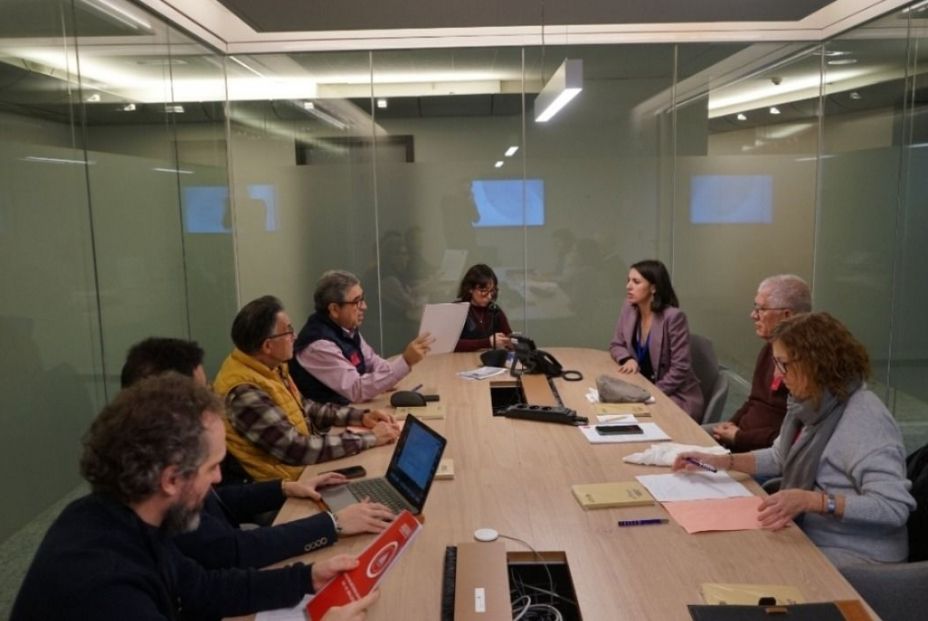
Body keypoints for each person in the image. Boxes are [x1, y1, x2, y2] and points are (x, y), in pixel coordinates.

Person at [11, 374, 380, 621]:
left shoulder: (114, 516)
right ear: (171, 478)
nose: (220, 479)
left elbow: (202, 588)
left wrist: (307, 579)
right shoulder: (107, 589)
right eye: (212, 468)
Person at [121, 337, 396, 571]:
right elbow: (229, 549)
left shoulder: (157, 452)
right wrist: (332, 524)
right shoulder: (156, 477)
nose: (210, 397)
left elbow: (216, 500)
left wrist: (286, 488)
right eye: (201, 391)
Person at [674, 313, 915, 569]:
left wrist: (815, 501)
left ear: (816, 363)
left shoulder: (865, 420)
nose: (778, 376)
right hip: (810, 532)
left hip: (859, 554)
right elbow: (780, 457)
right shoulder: (807, 403)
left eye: (783, 364)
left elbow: (893, 507)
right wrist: (721, 461)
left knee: (745, 563)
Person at [213, 295, 401, 482]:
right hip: (284, 492)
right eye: (287, 332)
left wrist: (360, 417)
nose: (294, 336)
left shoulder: (267, 365)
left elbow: (305, 407)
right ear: (268, 346)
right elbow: (296, 449)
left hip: (304, 471)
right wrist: (370, 438)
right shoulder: (244, 392)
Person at [290, 270, 433, 405]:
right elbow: (356, 390)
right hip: (331, 424)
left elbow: (372, 361)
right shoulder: (318, 345)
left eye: (363, 299)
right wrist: (405, 361)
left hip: (353, 410)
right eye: (357, 302)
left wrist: (388, 377)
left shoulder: (345, 328)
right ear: (334, 309)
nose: (364, 306)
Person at [707, 275, 811, 451]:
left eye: (760, 309)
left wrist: (739, 437)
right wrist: (730, 425)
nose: (753, 315)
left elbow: (790, 436)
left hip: (761, 451)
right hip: (741, 437)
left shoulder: (804, 365)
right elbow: (754, 400)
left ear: (787, 315)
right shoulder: (769, 349)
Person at [609, 259, 703, 420]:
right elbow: (616, 344)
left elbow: (680, 368)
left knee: (630, 420)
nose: (628, 286)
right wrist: (627, 358)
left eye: (636, 282)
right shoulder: (629, 308)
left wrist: (649, 393)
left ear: (654, 287)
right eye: (628, 280)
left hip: (674, 395)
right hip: (640, 387)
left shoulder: (673, 317)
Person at [454, 263, 513, 352]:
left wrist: (511, 343)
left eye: (492, 291)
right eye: (483, 291)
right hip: (459, 361)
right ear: (470, 289)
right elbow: (451, 344)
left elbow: (508, 336)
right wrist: (487, 342)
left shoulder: (495, 310)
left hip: (488, 361)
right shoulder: (457, 309)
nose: (489, 296)